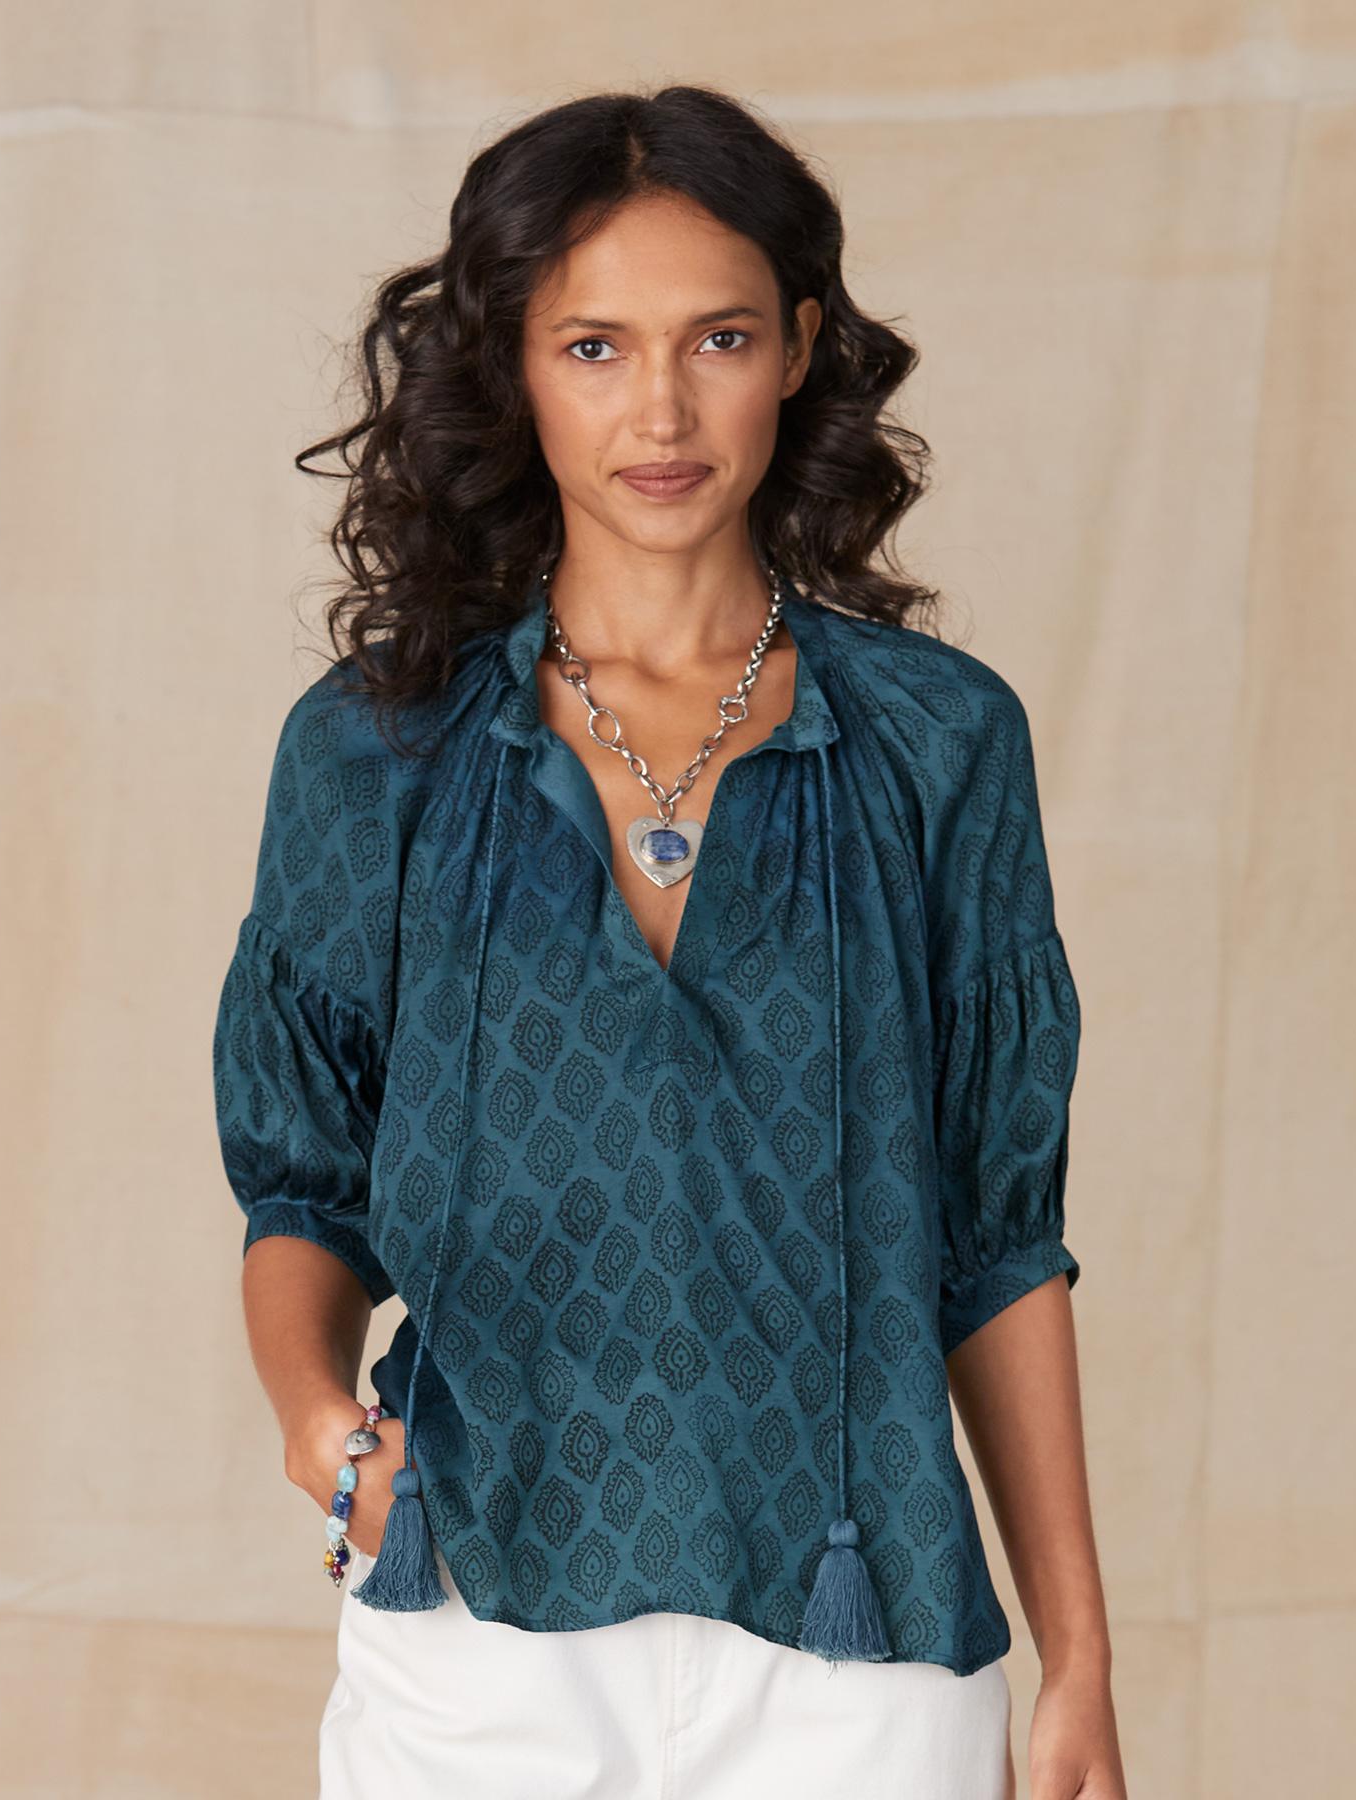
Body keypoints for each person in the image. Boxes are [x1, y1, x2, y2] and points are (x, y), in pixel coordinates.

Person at [212, 83, 1127, 1800]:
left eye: (718, 338)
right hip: (474, 1626)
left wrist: (1077, 1657)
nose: (661, 408)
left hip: (857, 1635)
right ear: (515, 368)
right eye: (594, 347)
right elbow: (304, 1187)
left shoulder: (940, 744)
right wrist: (320, 1425)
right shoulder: (378, 750)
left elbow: (999, 1238)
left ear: (798, 349)